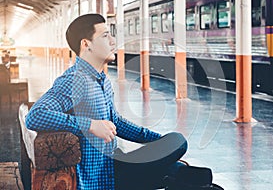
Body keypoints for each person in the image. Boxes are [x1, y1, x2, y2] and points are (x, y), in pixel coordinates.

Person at [25, 14, 188, 190]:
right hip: (102, 177)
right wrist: (90, 125)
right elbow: (35, 116)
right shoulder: (74, 80)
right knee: (179, 145)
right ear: (86, 44)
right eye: (105, 36)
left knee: (177, 156)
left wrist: (158, 141)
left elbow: (116, 122)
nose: (113, 41)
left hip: (115, 162)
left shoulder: (101, 80)